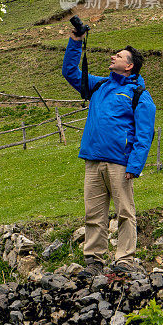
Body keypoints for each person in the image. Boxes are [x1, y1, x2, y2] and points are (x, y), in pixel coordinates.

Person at [62, 29, 156, 277]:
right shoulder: (100, 85)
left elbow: (145, 135)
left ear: (130, 66)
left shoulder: (139, 96)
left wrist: (134, 166)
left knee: (124, 212)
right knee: (93, 214)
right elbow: (70, 73)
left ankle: (124, 259)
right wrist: (75, 41)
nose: (113, 57)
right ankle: (94, 261)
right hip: (93, 160)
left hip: (120, 164)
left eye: (119, 56)